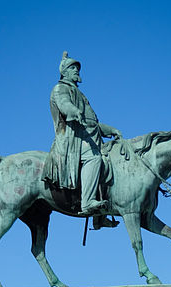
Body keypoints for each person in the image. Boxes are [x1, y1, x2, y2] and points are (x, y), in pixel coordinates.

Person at [42, 51, 122, 215]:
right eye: (72, 68)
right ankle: (87, 202)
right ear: (64, 71)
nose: (76, 70)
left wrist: (111, 130)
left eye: (77, 68)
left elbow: (92, 123)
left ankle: (99, 216)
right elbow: (64, 105)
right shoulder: (60, 88)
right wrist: (75, 111)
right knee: (94, 158)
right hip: (72, 141)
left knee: (109, 161)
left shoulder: (80, 93)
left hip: (87, 139)